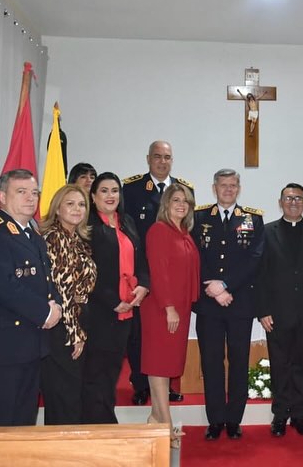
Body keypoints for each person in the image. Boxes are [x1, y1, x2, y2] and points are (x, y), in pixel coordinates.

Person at [0, 169, 62, 426]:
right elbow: (3, 287)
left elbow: (46, 281)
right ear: (2, 197)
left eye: (34, 193)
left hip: (32, 345)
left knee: (23, 423)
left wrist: (57, 307)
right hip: (1, 348)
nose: (30, 199)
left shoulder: (32, 235)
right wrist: (44, 312)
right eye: (21, 192)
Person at [192, 168, 264, 440]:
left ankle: (234, 420)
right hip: (208, 304)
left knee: (238, 362)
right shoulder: (198, 217)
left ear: (239, 188)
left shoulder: (252, 219)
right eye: (223, 185)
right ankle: (215, 420)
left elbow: (255, 259)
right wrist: (212, 288)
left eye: (233, 185)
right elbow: (194, 256)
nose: (228, 190)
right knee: (211, 363)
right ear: (214, 188)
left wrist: (226, 285)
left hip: (239, 303)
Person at [123, 141, 192, 405]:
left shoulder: (184, 190)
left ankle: (167, 386)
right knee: (141, 334)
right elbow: (128, 233)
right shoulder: (132, 189)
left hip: (171, 279)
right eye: (157, 157)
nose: (163, 162)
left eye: (167, 157)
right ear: (148, 159)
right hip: (141, 274)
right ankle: (140, 384)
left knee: (168, 338)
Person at [256, 183, 303, 437]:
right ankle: (279, 414)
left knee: (302, 365)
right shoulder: (266, 232)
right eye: (288, 198)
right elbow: (260, 275)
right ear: (280, 202)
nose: (293, 202)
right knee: (280, 365)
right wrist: (263, 309)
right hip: (276, 312)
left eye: (298, 198)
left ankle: (299, 414)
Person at [82, 172, 149, 424]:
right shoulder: (88, 226)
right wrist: (112, 301)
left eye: (115, 191)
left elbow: (141, 257)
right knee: (95, 374)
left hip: (127, 310)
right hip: (101, 311)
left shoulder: (127, 221)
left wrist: (144, 284)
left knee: (112, 372)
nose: (111, 196)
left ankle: (106, 420)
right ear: (93, 196)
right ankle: (98, 426)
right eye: (104, 191)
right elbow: (88, 272)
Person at [141, 182, 200, 449]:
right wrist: (168, 307)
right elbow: (158, 271)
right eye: (176, 199)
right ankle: (165, 424)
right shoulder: (159, 230)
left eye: (185, 201)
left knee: (167, 365)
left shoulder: (184, 232)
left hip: (180, 307)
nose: (181, 204)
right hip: (163, 309)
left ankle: (156, 417)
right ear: (166, 203)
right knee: (158, 364)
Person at [39, 184, 97, 425]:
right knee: (64, 398)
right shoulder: (55, 237)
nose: (77, 209)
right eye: (70, 204)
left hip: (76, 320)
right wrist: (74, 333)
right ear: (58, 208)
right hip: (62, 327)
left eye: (81, 204)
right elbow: (62, 290)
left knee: (72, 395)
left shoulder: (77, 239)